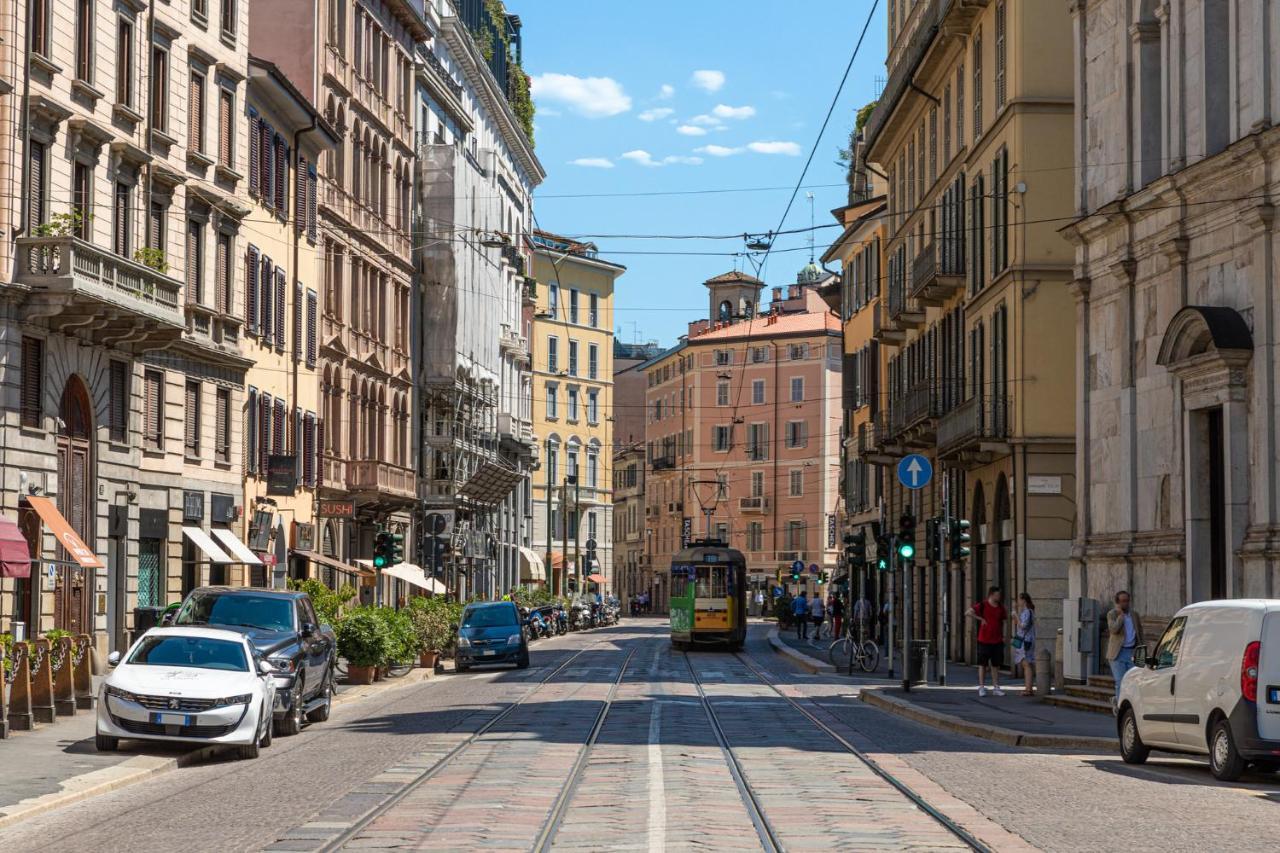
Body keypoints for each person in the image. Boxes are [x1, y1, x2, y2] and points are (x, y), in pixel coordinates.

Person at [966, 586, 1007, 696]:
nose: (999, 597)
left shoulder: (1001, 607)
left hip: (997, 640)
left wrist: (1004, 636)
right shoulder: (983, 605)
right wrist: (981, 619)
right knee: (982, 664)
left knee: (995, 665)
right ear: (992, 595)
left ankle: (996, 687)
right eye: (997, 595)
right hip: (984, 639)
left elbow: (1004, 621)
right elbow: (968, 612)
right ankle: (981, 687)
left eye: (999, 595)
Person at [1106, 590, 1144, 705]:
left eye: (1127, 601)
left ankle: (1127, 703)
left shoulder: (1134, 615)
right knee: (1120, 681)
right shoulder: (1112, 614)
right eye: (1123, 601)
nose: (1125, 604)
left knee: (1133, 681)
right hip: (1118, 653)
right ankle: (1120, 706)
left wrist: (1142, 650)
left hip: (1132, 651)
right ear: (1117, 602)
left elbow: (1140, 633)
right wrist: (1120, 617)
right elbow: (1113, 629)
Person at [1013, 593, 1037, 696]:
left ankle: (1028, 689)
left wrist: (1015, 615)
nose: (1017, 602)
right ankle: (1028, 688)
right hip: (1024, 639)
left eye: (1018, 599)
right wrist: (1016, 616)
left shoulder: (1028, 612)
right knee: (1025, 663)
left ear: (1023, 600)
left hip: (1026, 640)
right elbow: (1018, 624)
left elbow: (1023, 626)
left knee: (1026, 664)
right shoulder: (1025, 612)